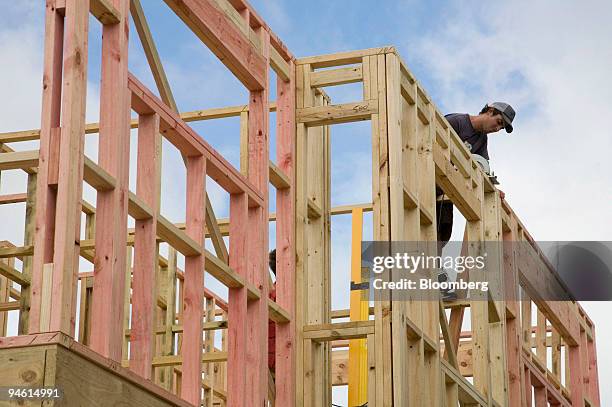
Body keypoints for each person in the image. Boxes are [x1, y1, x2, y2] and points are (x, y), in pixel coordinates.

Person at [436, 102, 516, 299]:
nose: (497, 128)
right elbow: (428, 143)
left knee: (441, 236)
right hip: (428, 183)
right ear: (489, 111)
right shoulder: (456, 122)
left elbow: (483, 170)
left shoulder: (481, 140)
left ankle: (437, 281)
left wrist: (493, 190)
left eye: (501, 127)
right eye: (498, 122)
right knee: (425, 233)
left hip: (446, 193)